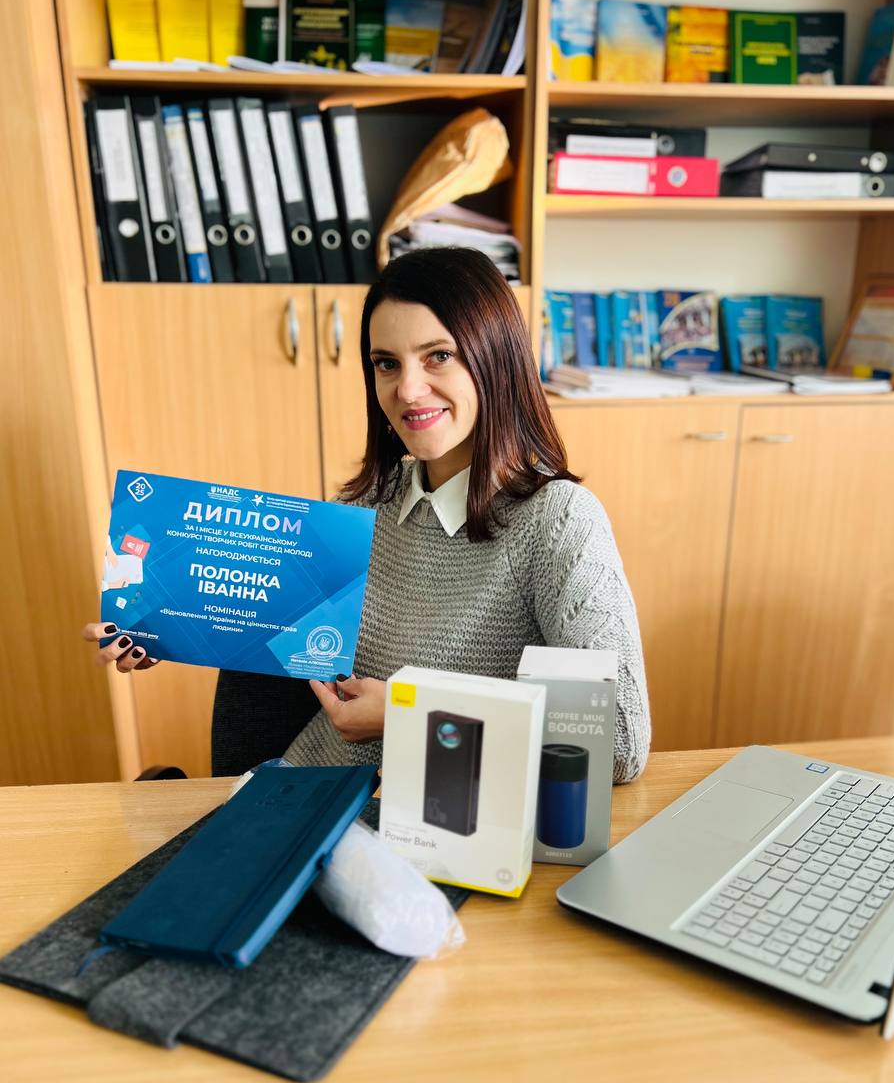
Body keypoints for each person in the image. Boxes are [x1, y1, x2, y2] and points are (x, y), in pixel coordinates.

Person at [84, 248, 651, 782]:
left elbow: (619, 741)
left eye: (439, 356)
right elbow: (260, 630)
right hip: (309, 796)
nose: (408, 389)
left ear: (495, 360)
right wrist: (157, 628)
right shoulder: (359, 510)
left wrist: (409, 712)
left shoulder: (558, 522)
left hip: (446, 820)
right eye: (386, 363)